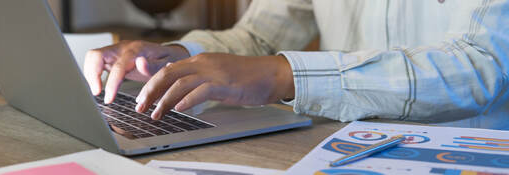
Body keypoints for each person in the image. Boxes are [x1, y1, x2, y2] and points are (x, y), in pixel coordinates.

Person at [83, 0, 509, 129]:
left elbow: (478, 66)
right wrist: (180, 58)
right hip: (338, 146)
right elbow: (259, 37)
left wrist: (282, 76)